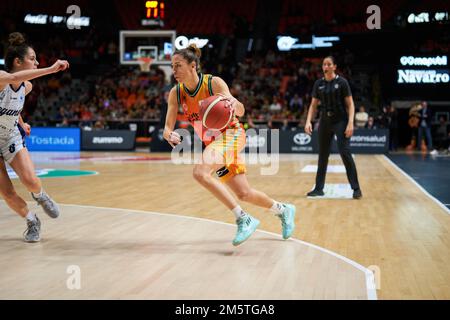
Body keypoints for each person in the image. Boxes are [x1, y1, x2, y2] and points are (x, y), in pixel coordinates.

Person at [163, 44, 296, 246]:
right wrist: (168, 133)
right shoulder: (176, 93)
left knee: (200, 172)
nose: (174, 71)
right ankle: (283, 209)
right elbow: (167, 125)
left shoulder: (213, 83)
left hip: (232, 134)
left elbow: (240, 110)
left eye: (178, 65)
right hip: (215, 143)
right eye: (172, 66)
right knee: (244, 193)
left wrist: (235, 104)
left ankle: (243, 218)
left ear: (192, 66)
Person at [0, 32, 69, 242]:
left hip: (10, 136)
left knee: (30, 180)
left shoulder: (26, 86)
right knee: (6, 192)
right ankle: (32, 221)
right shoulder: (2, 77)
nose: (37, 62)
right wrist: (51, 69)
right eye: (33, 59)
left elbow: (10, 106)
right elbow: (12, 79)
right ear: (17, 61)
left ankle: (40, 196)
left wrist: (21, 122)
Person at [304, 56, 362, 199]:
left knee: (345, 152)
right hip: (325, 121)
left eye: (329, 64)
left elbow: (350, 104)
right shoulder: (318, 84)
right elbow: (313, 105)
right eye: (324, 64)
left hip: (340, 120)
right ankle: (318, 188)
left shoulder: (342, 82)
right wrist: (308, 121)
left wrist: (350, 123)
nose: (326, 66)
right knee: (322, 155)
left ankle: (356, 189)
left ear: (334, 67)